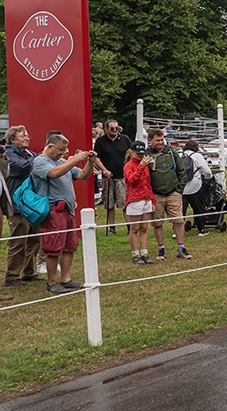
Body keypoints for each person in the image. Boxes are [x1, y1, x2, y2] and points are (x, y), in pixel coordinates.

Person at [32, 134, 95, 293]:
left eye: (65, 149)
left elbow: (81, 175)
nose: (63, 152)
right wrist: (74, 159)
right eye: (60, 149)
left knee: (69, 246)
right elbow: (53, 173)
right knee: (53, 247)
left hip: (67, 209)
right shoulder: (40, 161)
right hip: (53, 209)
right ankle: (52, 282)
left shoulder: (62, 162)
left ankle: (65, 279)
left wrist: (90, 163)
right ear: (49, 146)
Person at [3, 126, 41, 288]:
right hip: (17, 204)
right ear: (12, 139)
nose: (27, 138)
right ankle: (11, 276)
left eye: (27, 135)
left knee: (35, 237)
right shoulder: (8, 153)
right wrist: (39, 160)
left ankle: (29, 271)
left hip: (31, 203)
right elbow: (20, 167)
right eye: (23, 135)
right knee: (19, 239)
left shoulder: (29, 154)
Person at [147, 127, 191, 261]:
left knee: (178, 221)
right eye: (157, 140)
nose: (160, 142)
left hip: (173, 193)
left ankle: (181, 248)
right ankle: (161, 249)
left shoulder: (171, 152)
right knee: (157, 223)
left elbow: (182, 171)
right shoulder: (146, 155)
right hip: (155, 195)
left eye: (162, 140)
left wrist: (179, 190)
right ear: (150, 141)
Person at [92, 119, 132, 234]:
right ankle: (112, 227)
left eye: (116, 128)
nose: (115, 131)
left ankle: (129, 227)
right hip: (108, 177)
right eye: (112, 129)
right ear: (106, 129)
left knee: (125, 203)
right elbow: (96, 158)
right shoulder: (100, 141)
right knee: (109, 204)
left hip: (122, 176)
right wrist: (104, 170)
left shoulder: (124, 139)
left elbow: (131, 153)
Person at [123, 140, 156, 264]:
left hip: (146, 197)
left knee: (144, 227)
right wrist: (141, 166)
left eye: (142, 153)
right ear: (131, 152)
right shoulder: (128, 166)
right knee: (134, 228)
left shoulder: (145, 165)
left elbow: (148, 183)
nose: (140, 156)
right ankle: (135, 254)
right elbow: (132, 180)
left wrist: (152, 200)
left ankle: (144, 252)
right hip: (135, 198)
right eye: (138, 153)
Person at [180, 139, 212, 237]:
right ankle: (201, 229)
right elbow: (207, 171)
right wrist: (208, 177)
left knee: (180, 209)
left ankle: (177, 231)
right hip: (195, 186)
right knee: (198, 207)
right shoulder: (197, 156)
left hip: (181, 186)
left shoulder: (179, 155)